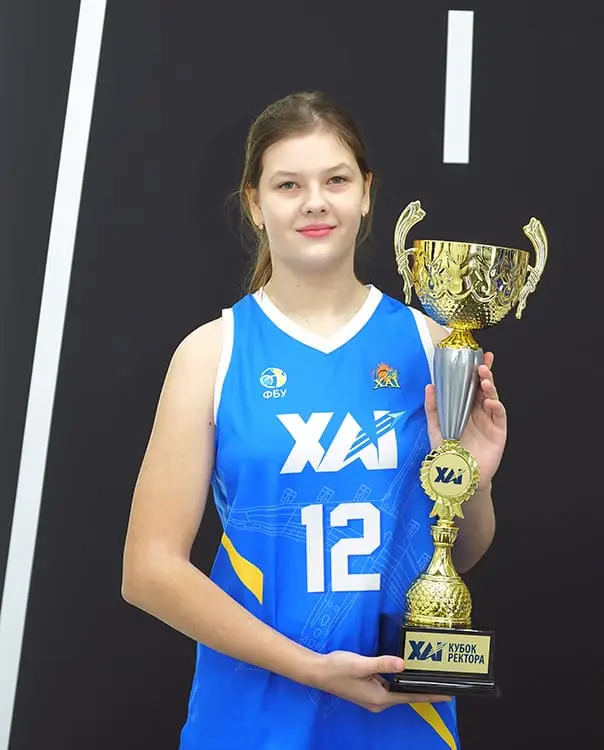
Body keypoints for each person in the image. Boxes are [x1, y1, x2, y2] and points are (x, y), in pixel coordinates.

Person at [121, 91, 506, 750]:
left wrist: (473, 479)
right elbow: (148, 570)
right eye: (288, 185)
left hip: (400, 720)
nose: (315, 202)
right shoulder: (213, 353)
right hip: (251, 720)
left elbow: (462, 551)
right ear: (254, 203)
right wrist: (311, 669)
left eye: (336, 180)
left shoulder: (434, 345)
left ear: (366, 193)